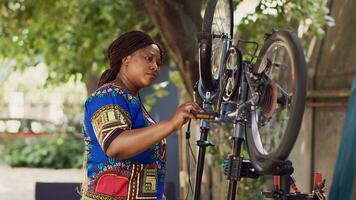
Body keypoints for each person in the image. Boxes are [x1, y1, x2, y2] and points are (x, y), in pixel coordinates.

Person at [81, 30, 201, 200]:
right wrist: (171, 124)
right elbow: (115, 145)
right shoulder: (107, 96)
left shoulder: (132, 101)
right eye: (149, 58)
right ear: (126, 59)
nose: (155, 67)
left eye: (158, 63)